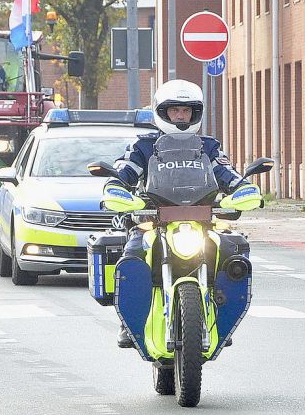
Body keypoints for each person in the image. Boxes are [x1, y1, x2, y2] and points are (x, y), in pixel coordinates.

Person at [108, 79, 262, 347]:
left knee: (228, 252)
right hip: (153, 220)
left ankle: (221, 316)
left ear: (195, 113)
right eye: (175, 111)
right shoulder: (145, 146)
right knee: (132, 254)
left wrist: (243, 188)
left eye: (187, 111)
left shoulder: (208, 146)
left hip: (200, 219)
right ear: (162, 112)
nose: (181, 116)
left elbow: (226, 172)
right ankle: (128, 323)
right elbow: (127, 170)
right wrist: (116, 187)